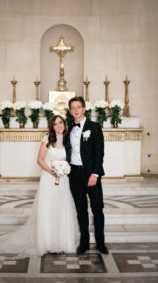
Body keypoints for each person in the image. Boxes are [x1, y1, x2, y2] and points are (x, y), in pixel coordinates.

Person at [0, 115, 78, 259]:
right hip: (49, 179)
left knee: (62, 208)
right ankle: (47, 242)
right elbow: (39, 160)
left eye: (60, 122)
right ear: (52, 127)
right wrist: (52, 172)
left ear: (64, 124)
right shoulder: (47, 139)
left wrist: (64, 171)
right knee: (48, 209)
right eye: (55, 124)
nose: (59, 126)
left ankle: (63, 242)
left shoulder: (68, 140)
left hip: (63, 180)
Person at [65, 96, 109, 255]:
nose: (76, 110)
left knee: (97, 209)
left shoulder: (94, 127)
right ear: (70, 111)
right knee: (81, 211)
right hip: (74, 175)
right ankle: (84, 242)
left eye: (78, 107)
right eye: (73, 108)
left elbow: (99, 152)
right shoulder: (69, 129)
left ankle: (100, 242)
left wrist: (95, 174)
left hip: (91, 174)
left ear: (84, 109)